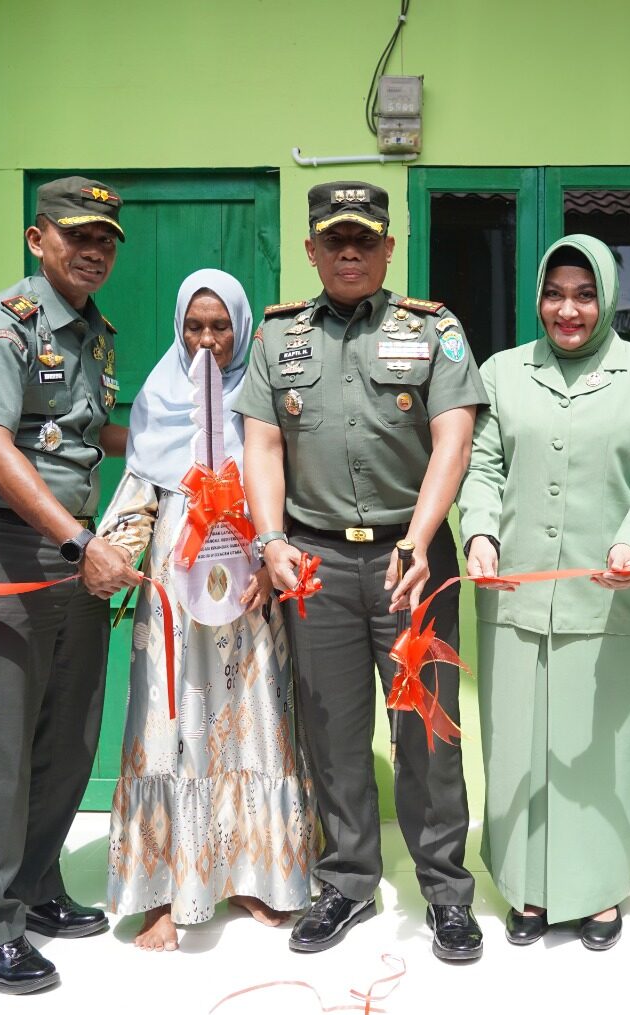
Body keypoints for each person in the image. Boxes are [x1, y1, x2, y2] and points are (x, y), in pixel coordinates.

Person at [237, 181, 488, 962]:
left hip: (407, 560)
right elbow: (264, 444)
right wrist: (270, 539)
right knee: (333, 732)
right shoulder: (279, 338)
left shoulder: (434, 329)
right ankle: (346, 883)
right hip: (312, 561)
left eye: (365, 239)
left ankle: (446, 890)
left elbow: (454, 438)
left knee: (427, 730)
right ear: (311, 250)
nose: (350, 251)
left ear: (387, 249)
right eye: (334, 240)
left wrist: (418, 539)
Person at [458, 235, 630, 951]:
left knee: (600, 750)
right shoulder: (502, 373)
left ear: (607, 299)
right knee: (519, 744)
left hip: (611, 596)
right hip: (515, 595)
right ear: (538, 299)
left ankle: (597, 893)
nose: (569, 309)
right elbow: (483, 468)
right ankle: (526, 889)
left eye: (585, 293)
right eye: (555, 294)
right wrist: (479, 534)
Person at [0, 176, 143, 994]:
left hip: (72, 556)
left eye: (104, 239)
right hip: (4, 551)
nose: (91, 250)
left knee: (66, 739)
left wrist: (199, 437)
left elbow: (86, 436)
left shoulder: (93, 334)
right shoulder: (0, 326)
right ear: (38, 239)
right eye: (75, 235)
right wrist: (77, 541)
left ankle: (35, 886)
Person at [101, 269, 318, 950]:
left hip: (248, 585)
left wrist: (273, 561)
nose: (206, 340)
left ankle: (255, 873)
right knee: (169, 720)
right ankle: (163, 894)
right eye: (194, 326)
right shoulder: (158, 401)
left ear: (241, 329)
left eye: (220, 326)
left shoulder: (261, 405)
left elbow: (284, 488)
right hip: (174, 589)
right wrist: (110, 556)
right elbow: (140, 488)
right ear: (178, 328)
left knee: (253, 719)